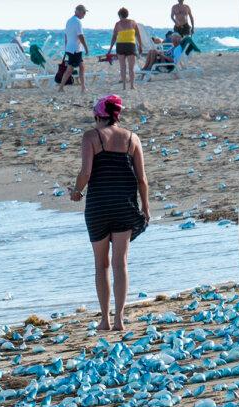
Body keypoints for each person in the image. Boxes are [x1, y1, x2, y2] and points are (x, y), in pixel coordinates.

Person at [70, 95, 150, 332]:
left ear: (98, 117)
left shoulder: (91, 137)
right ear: (117, 116)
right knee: (120, 264)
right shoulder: (132, 138)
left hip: (99, 207)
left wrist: (76, 191)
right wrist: (145, 207)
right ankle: (119, 320)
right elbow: (142, 179)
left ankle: (105, 319)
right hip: (124, 206)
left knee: (101, 264)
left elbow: (85, 172)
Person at [108, 8, 143, 90]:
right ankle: (132, 86)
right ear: (127, 14)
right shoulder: (133, 22)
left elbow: (114, 37)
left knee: (122, 67)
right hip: (130, 45)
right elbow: (138, 35)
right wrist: (140, 46)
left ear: (120, 15)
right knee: (131, 68)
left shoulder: (117, 24)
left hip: (120, 45)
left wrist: (110, 49)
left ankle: (124, 86)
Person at [60, 4, 90, 92]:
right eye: (84, 13)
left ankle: (83, 87)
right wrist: (86, 48)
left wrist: (66, 47)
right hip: (75, 49)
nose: (84, 15)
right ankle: (61, 87)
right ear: (79, 12)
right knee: (70, 69)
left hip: (71, 48)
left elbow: (66, 35)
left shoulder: (69, 21)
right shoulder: (77, 21)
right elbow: (80, 36)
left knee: (81, 66)